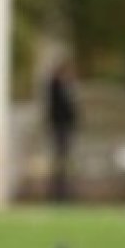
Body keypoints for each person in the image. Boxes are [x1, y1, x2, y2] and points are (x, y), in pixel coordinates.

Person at [43, 56, 79, 203]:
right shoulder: (56, 85)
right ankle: (58, 191)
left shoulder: (65, 86)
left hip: (64, 127)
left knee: (64, 159)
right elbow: (58, 108)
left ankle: (63, 190)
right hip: (60, 127)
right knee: (60, 159)